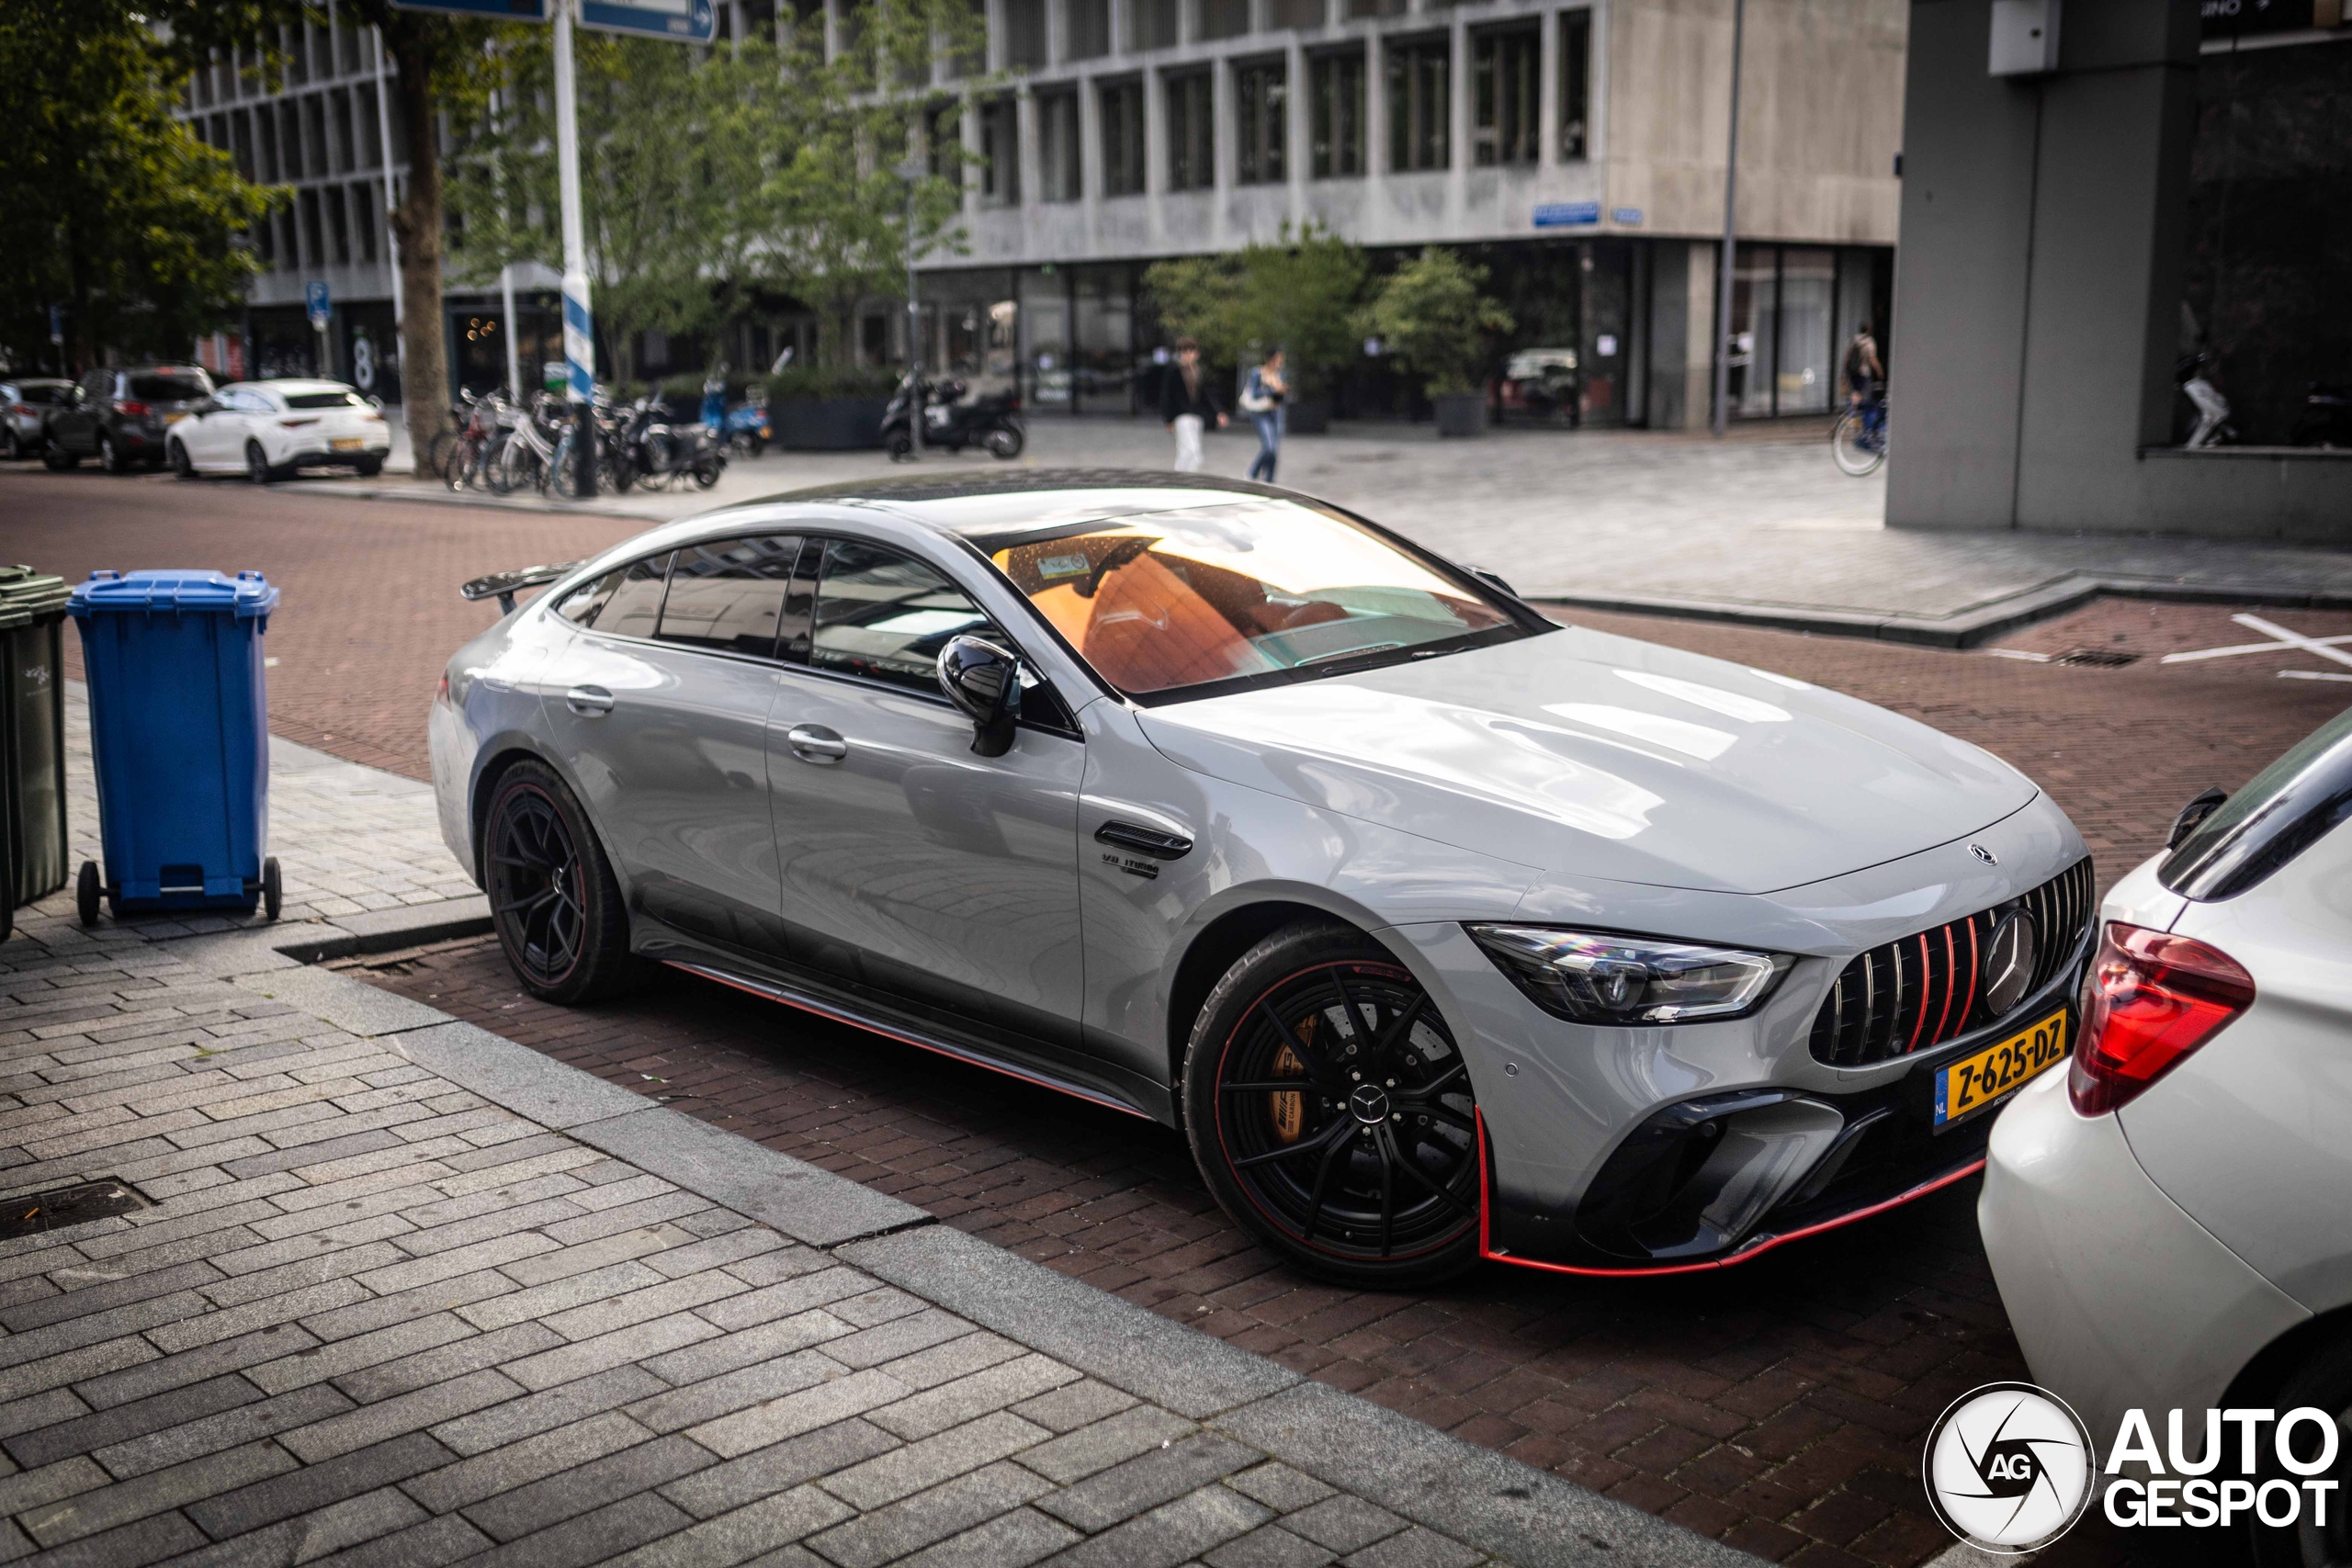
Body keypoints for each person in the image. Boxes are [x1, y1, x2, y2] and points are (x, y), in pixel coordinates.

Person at [1160, 336, 1226, 472]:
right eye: (1185, 351)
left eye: (1191, 351)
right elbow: (1167, 395)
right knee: (1193, 451)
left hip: (1196, 415)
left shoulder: (1198, 371)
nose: (1188, 354)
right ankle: (1184, 480)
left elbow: (1207, 394)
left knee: (1185, 452)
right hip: (1181, 415)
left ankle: (1183, 479)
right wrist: (1168, 419)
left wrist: (1218, 412)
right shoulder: (1174, 370)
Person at [1240, 348, 1286, 482]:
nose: (1280, 363)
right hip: (1260, 413)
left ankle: (1269, 480)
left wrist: (1282, 392)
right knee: (1269, 447)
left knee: (1274, 450)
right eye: (1278, 360)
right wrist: (1272, 389)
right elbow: (1254, 394)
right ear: (1271, 360)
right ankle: (1252, 473)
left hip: (1275, 412)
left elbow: (1280, 397)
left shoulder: (1280, 375)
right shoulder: (1257, 373)